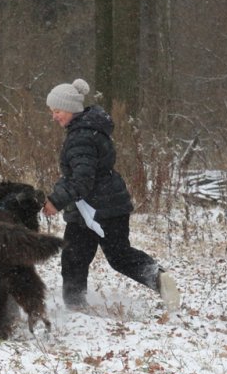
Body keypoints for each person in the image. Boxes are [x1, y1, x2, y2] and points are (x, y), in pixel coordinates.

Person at [41, 78, 180, 311]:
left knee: (75, 259)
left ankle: (76, 308)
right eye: (52, 111)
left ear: (72, 109)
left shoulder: (81, 138)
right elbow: (84, 174)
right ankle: (157, 278)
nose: (54, 116)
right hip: (108, 206)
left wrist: (56, 200)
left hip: (94, 210)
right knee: (117, 255)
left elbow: (82, 180)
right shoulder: (91, 130)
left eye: (58, 111)